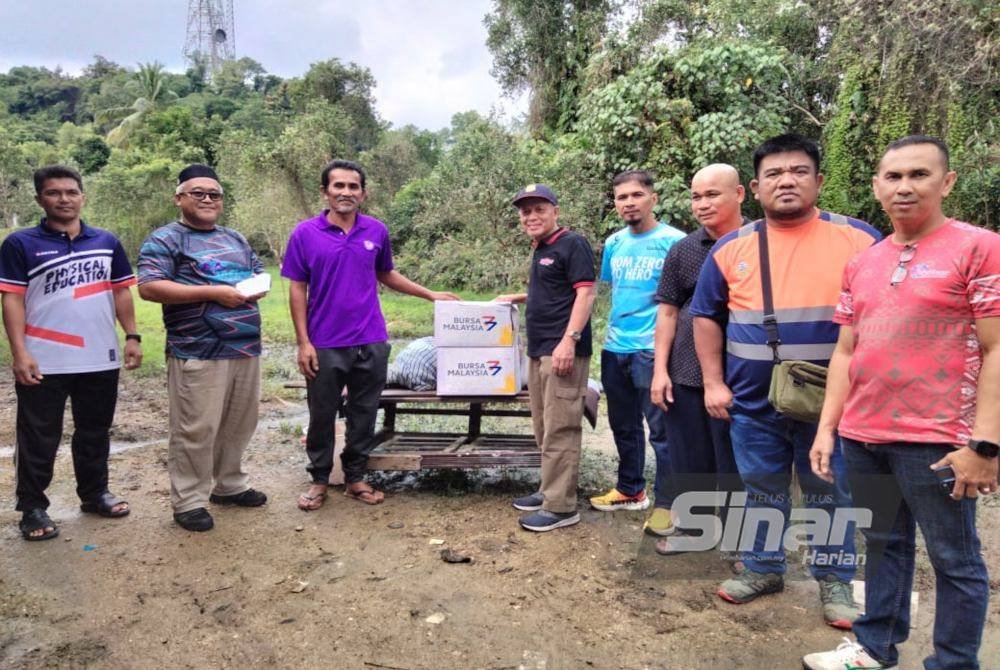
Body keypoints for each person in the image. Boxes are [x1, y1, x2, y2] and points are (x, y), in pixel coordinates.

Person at [803, 136, 999, 670]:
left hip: (937, 439)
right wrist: (827, 429)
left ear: (947, 182)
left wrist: (985, 443)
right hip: (864, 435)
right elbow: (845, 351)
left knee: (955, 559)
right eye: (893, 177)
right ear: (877, 187)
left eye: (919, 174)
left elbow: (997, 345)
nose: (905, 187)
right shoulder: (863, 262)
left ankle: (954, 663)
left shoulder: (979, 247)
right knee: (884, 544)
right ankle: (873, 649)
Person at [689, 134, 880, 628]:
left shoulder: (859, 239)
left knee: (830, 490)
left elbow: (884, 316)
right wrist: (713, 382)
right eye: (774, 174)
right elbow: (706, 316)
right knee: (761, 487)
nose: (786, 181)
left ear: (819, 179)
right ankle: (762, 566)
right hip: (753, 403)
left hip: (831, 404)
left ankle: (836, 580)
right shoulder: (732, 248)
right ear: (755, 188)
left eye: (798, 171)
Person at [282, 160, 458, 511]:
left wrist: (430, 294)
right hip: (325, 342)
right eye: (339, 186)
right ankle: (318, 479)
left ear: (363, 193)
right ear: (325, 192)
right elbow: (297, 288)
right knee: (322, 412)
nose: (346, 192)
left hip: (371, 340)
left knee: (365, 411)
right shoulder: (305, 233)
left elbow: (386, 274)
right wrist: (304, 342)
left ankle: (355, 477)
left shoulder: (376, 231)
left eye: (353, 187)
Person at [1, 165, 141, 541]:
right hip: (44, 358)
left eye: (70, 192)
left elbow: (121, 291)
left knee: (94, 431)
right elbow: (12, 300)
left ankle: (94, 494)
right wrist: (20, 352)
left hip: (100, 356)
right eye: (53, 193)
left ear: (82, 196)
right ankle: (32, 506)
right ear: (39, 199)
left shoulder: (107, 241)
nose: (63, 199)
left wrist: (132, 335)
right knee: (39, 436)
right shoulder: (20, 244)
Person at [137, 164, 268, 533]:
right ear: (179, 198)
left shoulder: (236, 238)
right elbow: (149, 287)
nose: (208, 199)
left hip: (245, 347)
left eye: (215, 194)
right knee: (196, 428)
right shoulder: (165, 239)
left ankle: (229, 485)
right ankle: (189, 500)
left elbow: (258, 271)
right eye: (198, 193)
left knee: (239, 423)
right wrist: (213, 292)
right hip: (196, 348)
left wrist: (257, 285)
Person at [649, 163, 745, 542]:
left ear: (738, 194)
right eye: (696, 196)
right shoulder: (683, 250)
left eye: (712, 194)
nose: (702, 204)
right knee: (691, 457)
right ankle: (694, 528)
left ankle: (741, 539)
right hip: (686, 372)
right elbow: (668, 312)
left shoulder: (760, 242)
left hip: (741, 375)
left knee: (738, 461)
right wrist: (660, 371)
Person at [495, 184, 596, 531]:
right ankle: (549, 490)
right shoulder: (542, 248)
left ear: (555, 210)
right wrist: (517, 297)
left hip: (562, 351)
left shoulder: (573, 243)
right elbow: (555, 289)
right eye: (525, 211)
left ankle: (562, 507)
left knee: (561, 428)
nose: (531, 216)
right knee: (543, 425)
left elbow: (585, 293)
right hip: (539, 351)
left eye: (539, 209)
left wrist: (569, 341)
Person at [588, 170, 683, 520]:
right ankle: (631, 490)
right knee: (623, 425)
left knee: (663, 432)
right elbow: (615, 292)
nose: (629, 203)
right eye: (621, 197)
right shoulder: (614, 244)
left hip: (653, 351)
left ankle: (668, 505)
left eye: (636, 195)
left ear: (653, 199)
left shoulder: (675, 242)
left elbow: (682, 303)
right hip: (616, 350)